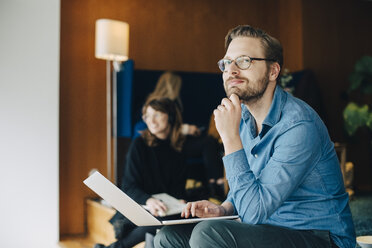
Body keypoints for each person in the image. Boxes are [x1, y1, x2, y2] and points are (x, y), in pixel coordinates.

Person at [154, 25, 356, 248]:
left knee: (208, 234)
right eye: (227, 62)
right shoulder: (244, 118)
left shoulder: (299, 126)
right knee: (168, 236)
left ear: (273, 71)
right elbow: (252, 187)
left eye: (244, 61)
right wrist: (224, 209)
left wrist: (230, 139)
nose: (231, 70)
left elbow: (253, 213)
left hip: (320, 238)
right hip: (269, 229)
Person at [94, 98, 189, 248]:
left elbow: (177, 188)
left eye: (156, 115)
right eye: (147, 116)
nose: (150, 120)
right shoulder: (139, 144)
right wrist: (149, 200)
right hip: (138, 208)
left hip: (165, 210)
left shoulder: (179, 150)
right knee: (156, 219)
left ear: (170, 116)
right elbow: (129, 186)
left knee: (175, 217)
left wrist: (179, 201)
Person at [134, 71, 226, 200]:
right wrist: (186, 129)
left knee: (209, 142)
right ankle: (217, 183)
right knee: (208, 143)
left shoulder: (170, 104)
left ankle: (215, 183)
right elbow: (149, 128)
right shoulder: (154, 105)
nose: (151, 119)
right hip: (166, 142)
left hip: (175, 141)